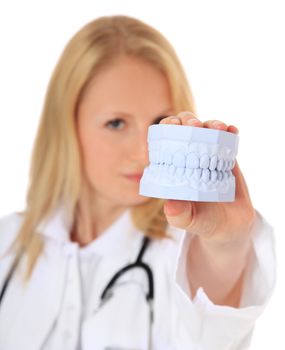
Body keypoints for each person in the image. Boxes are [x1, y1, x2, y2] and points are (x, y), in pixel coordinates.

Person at [0, 15, 275, 350]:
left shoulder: (180, 252)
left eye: (159, 123)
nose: (143, 151)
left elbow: (216, 326)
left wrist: (226, 244)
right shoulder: (8, 243)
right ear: (66, 127)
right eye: (116, 123)